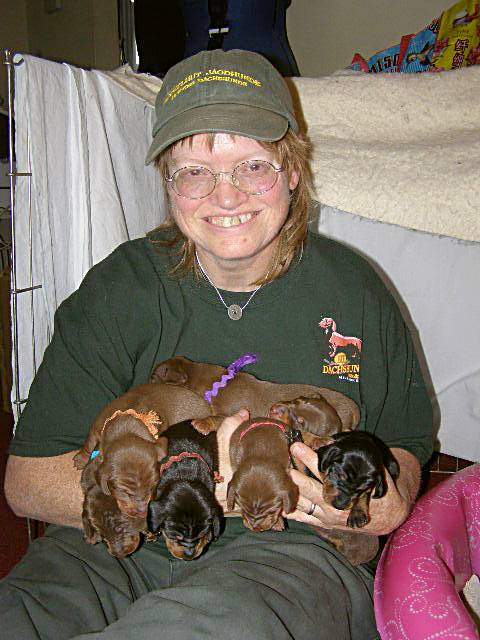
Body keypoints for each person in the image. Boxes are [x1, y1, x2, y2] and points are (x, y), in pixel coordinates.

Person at [1, 49, 433, 640]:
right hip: (111, 539)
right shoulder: (120, 288)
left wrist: (367, 505)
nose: (226, 197)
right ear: (167, 183)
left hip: (293, 554)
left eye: (253, 166)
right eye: (196, 171)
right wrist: (203, 484)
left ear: (293, 171)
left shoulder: (355, 291)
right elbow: (26, 483)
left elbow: (403, 460)